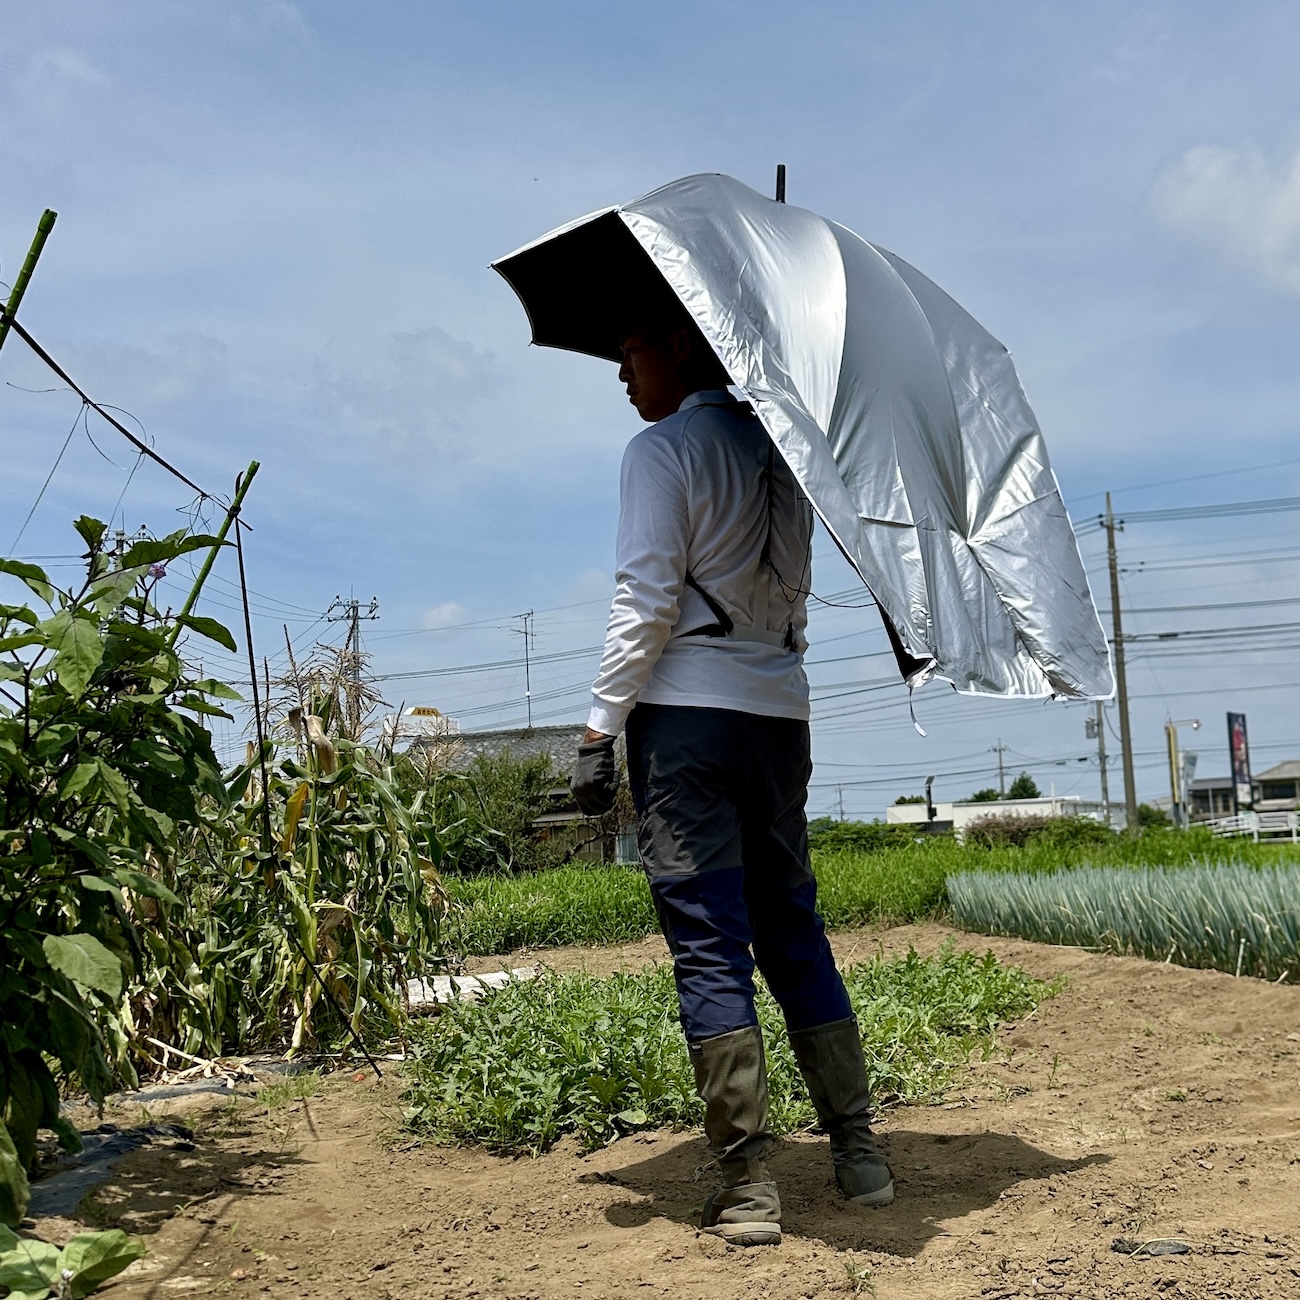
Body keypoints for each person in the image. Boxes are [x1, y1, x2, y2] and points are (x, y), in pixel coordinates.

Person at [571, 307, 894, 1248]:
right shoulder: (785, 456)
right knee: (792, 923)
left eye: (629, 350)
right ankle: (859, 1153)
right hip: (780, 718)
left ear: (679, 346)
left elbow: (646, 598)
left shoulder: (660, 451)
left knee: (712, 941)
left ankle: (750, 1188)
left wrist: (600, 727)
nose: (621, 372)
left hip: (689, 730)